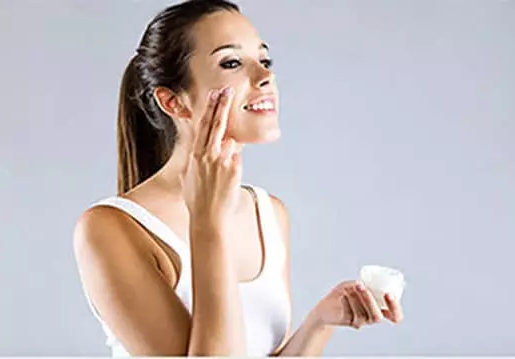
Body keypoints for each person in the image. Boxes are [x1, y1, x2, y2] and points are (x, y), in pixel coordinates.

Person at [73, 0, 404, 356]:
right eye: (232, 62)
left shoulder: (269, 213)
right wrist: (207, 222)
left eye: (264, 60)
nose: (265, 77)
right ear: (173, 102)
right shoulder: (109, 228)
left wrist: (320, 322)